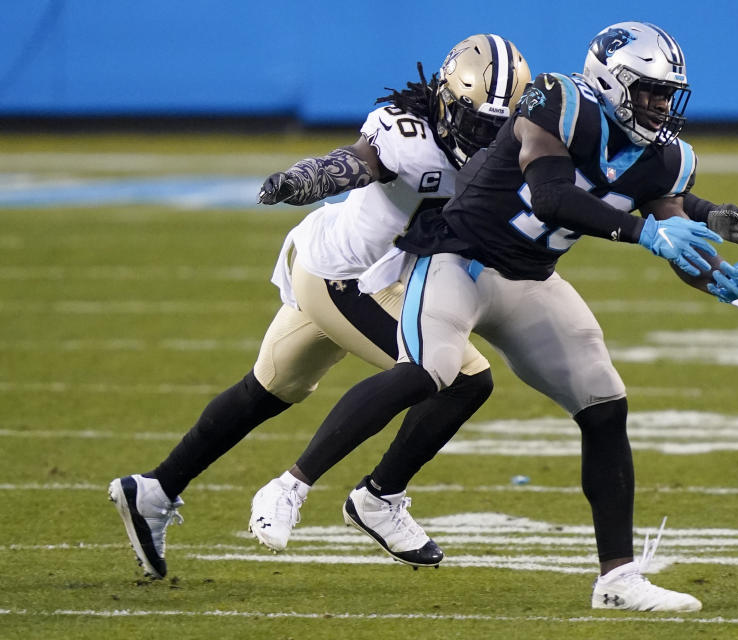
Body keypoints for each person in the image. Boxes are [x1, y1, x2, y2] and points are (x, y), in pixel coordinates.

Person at [250, 21, 738, 612]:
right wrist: (645, 232)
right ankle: (290, 486)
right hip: (458, 259)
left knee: (604, 403)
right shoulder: (557, 101)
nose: (656, 105)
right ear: (609, 83)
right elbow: (551, 196)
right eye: (645, 90)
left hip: (529, 278)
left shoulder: (666, 158)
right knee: (429, 371)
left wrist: (712, 273)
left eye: (665, 94)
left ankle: (617, 579)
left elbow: (675, 228)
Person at [107, 34, 533, 579]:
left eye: (496, 129)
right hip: (347, 278)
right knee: (461, 377)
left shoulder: (517, 145)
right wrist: (306, 178)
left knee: (266, 390)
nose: (485, 140)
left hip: (345, 271)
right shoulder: (408, 134)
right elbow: (357, 163)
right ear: (447, 100)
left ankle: (153, 490)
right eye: (475, 125)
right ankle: (378, 497)